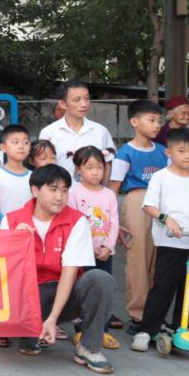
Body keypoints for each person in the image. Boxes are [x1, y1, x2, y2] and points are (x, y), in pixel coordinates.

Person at [0, 165, 116, 374]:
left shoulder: (77, 221)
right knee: (28, 339)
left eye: (64, 190)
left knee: (100, 279)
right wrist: (14, 241)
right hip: (27, 296)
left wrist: (53, 318)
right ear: (35, 190)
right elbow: (3, 272)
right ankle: (28, 332)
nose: (60, 197)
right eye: (53, 189)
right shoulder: (11, 220)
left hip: (63, 293)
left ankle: (89, 347)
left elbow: (69, 272)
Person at [130, 128, 189, 352]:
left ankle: (182, 328)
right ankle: (147, 330)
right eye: (181, 151)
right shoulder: (161, 177)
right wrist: (166, 219)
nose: (187, 155)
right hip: (171, 242)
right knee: (163, 287)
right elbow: (149, 206)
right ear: (169, 152)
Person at [110, 100, 167, 328]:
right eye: (151, 120)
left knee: (158, 260)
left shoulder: (163, 151)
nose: (157, 125)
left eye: (159, 121)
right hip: (137, 201)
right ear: (134, 122)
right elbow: (114, 188)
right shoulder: (125, 153)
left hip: (162, 203)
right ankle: (138, 314)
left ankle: (154, 313)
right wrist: (113, 222)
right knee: (138, 260)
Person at [67, 146, 121, 350]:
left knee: (104, 290)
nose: (95, 172)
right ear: (78, 169)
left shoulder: (109, 194)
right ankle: (81, 329)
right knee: (83, 290)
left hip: (104, 253)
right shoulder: (73, 192)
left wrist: (108, 246)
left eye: (99, 167)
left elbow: (114, 222)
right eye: (89, 168)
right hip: (82, 252)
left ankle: (102, 330)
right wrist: (88, 247)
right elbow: (73, 222)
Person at [38, 80, 114, 175]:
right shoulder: (48, 133)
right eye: (77, 100)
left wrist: (105, 185)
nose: (84, 104)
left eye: (87, 98)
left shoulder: (101, 131)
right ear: (63, 104)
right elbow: (43, 167)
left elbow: (107, 163)